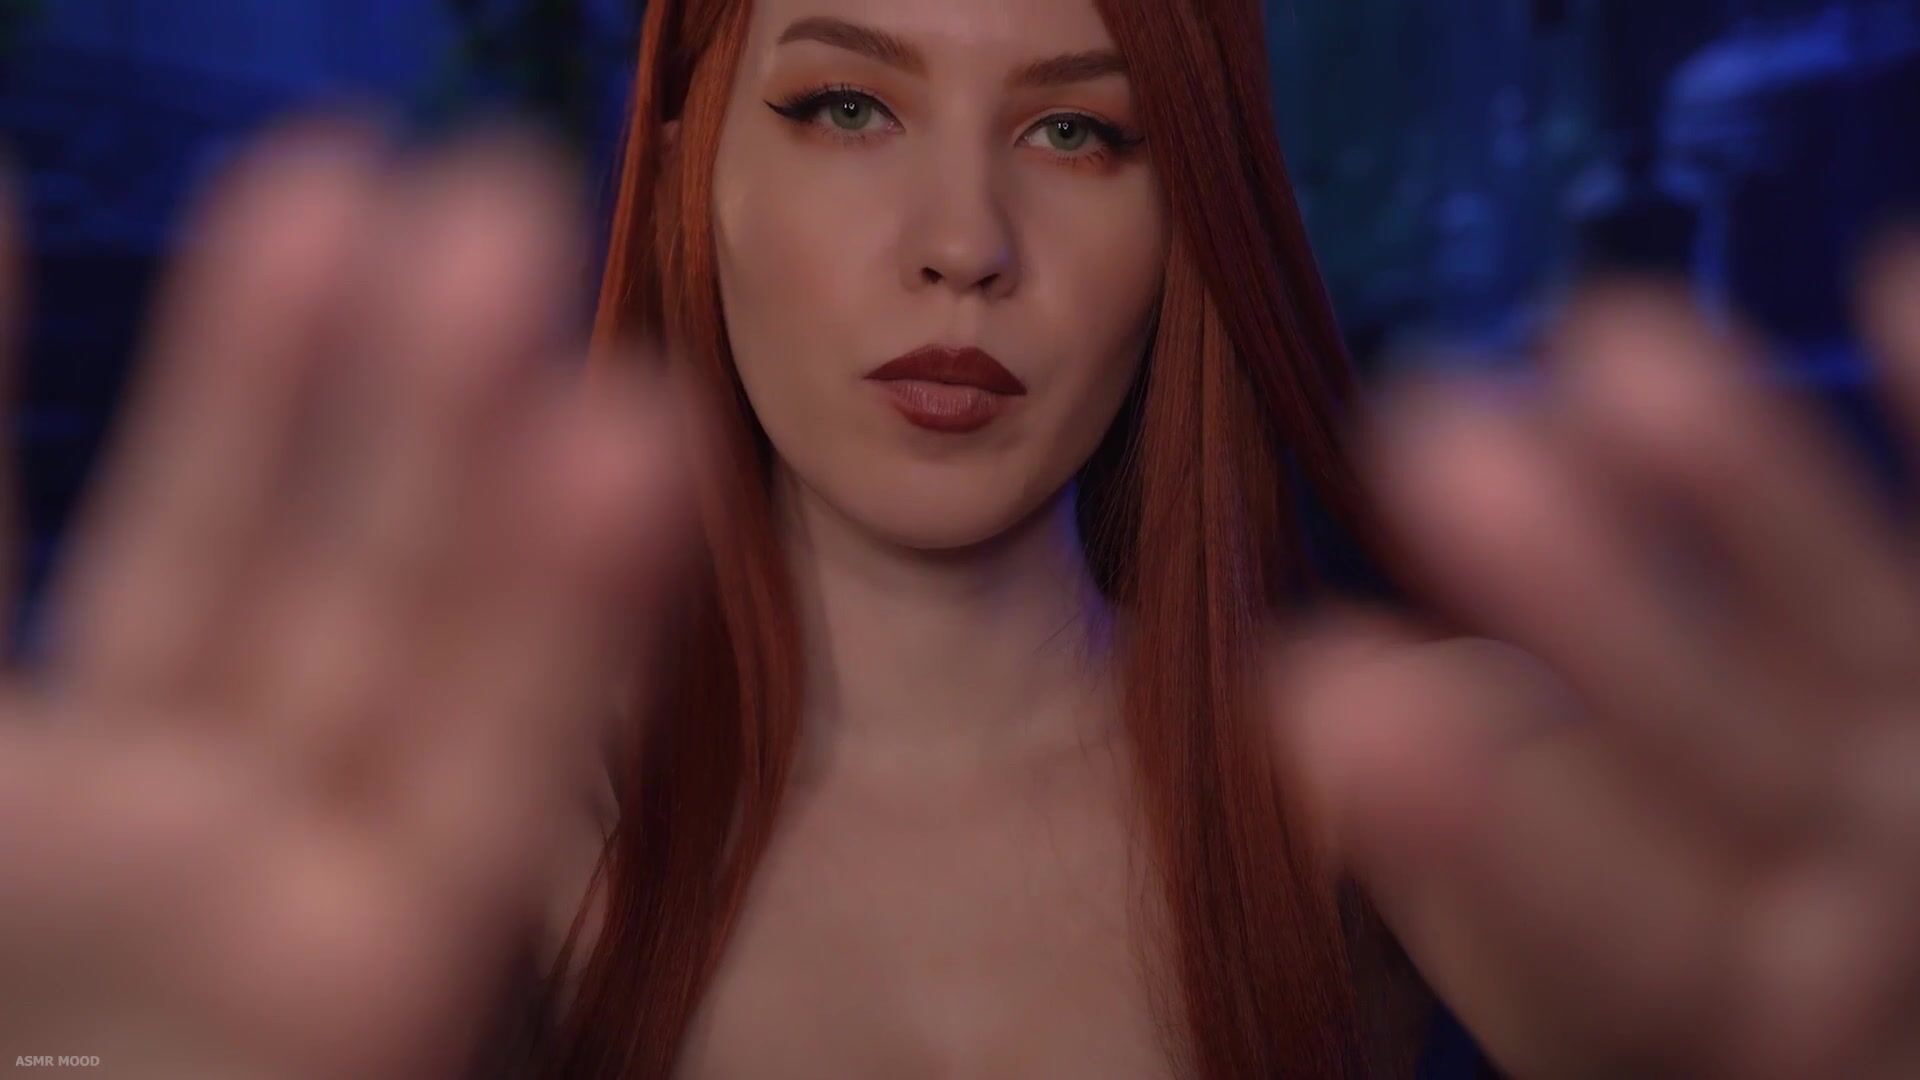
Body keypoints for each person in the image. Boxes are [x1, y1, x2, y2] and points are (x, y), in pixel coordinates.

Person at [1, 1, 1917, 1079]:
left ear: (1193, 217)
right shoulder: (471, 823)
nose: (962, 245)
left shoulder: (1383, 768)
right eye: (845, 106)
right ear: (686, 166)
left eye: (1081, 135)